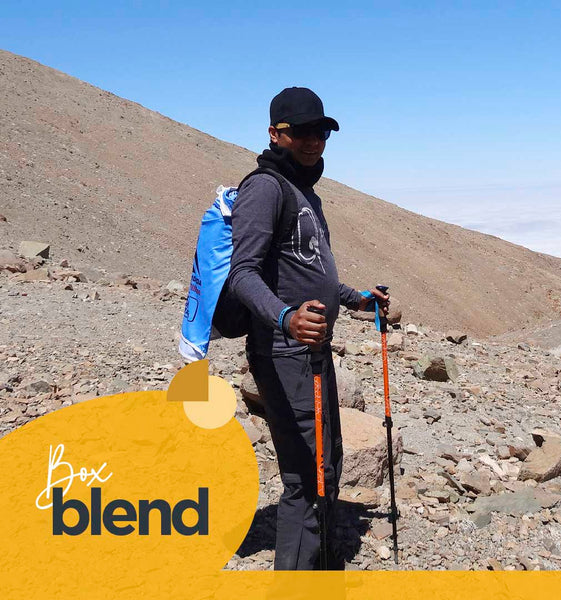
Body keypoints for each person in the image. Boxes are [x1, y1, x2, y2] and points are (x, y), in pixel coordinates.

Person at [228, 87, 389, 570]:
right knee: (306, 475)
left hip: (312, 351)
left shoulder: (306, 194)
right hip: (284, 351)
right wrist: (285, 317)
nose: (313, 140)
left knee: (327, 463)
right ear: (276, 133)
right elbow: (242, 274)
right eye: (300, 131)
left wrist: (359, 299)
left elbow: (312, 272)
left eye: (320, 131)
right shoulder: (265, 187)